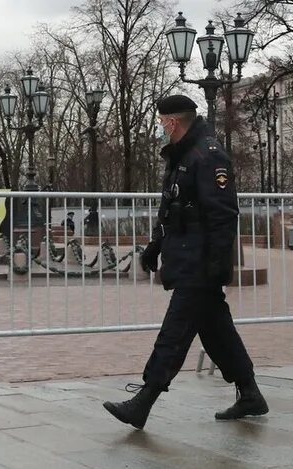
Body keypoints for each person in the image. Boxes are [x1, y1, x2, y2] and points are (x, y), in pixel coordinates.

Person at [102, 95, 268, 429]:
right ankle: (249, 393)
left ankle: (144, 400)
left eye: (163, 122)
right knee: (216, 330)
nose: (161, 128)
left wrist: (218, 264)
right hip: (188, 257)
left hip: (200, 262)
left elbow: (223, 215)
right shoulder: (181, 157)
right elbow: (171, 210)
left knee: (174, 332)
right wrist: (154, 246)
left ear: (174, 122)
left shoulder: (207, 156)